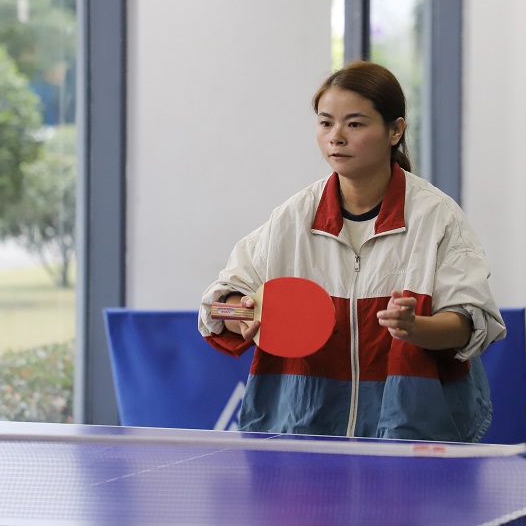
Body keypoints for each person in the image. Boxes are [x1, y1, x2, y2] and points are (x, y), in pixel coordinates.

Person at [198, 60, 506, 442]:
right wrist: (241, 314)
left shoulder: (437, 217)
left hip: (411, 436)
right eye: (326, 123)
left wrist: (415, 328)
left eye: (355, 124)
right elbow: (216, 309)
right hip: (302, 435)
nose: (336, 137)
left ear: (395, 131)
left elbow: (470, 323)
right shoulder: (291, 219)